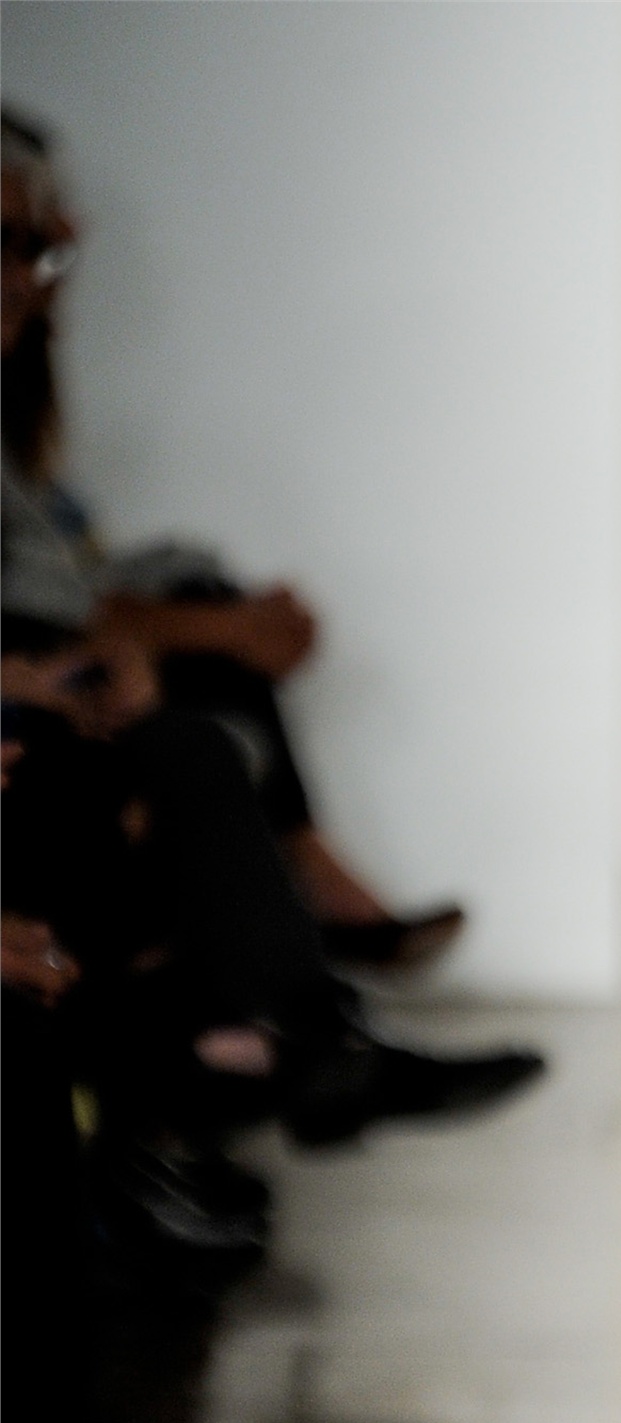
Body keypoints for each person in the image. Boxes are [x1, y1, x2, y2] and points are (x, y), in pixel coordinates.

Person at [1, 109, 464, 974]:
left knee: (199, 632)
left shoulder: (21, 394)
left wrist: (210, 600)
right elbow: (46, 599)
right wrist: (223, 627)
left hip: (44, 685)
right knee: (193, 733)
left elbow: (62, 577)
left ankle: (298, 978)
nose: (47, 261)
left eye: (46, 241)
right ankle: (303, 947)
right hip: (35, 709)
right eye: (26, 237)